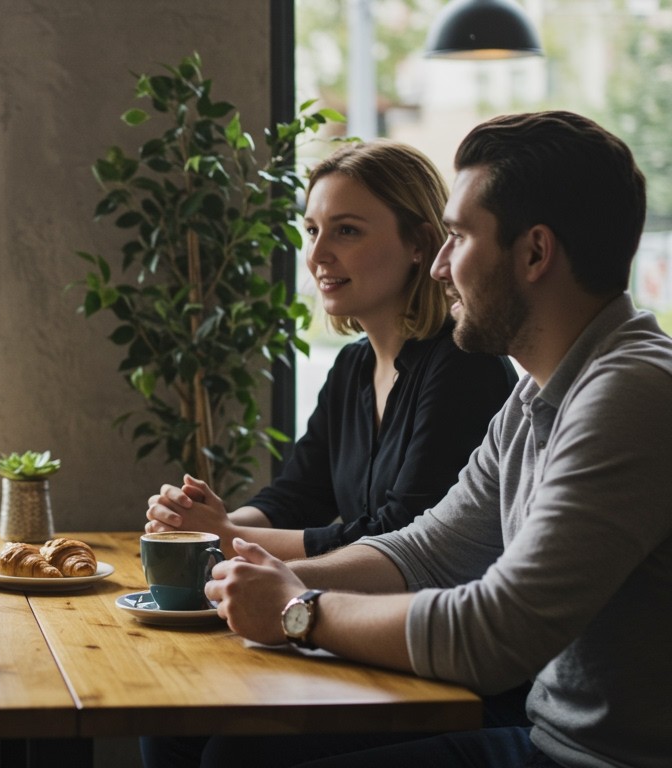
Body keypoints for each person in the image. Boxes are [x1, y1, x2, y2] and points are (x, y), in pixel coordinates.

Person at [192, 111, 671, 767]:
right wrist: (252, 583)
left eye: (458, 237)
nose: (441, 267)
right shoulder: (542, 389)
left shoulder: (632, 392)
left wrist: (298, 608)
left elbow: (497, 630)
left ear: (534, 252)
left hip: (591, 759)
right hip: (545, 739)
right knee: (212, 741)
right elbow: (430, 551)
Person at [146, 140, 516, 561]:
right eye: (311, 231)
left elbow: (401, 536)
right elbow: (298, 496)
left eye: (346, 230)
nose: (317, 254)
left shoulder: (463, 364)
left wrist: (224, 535)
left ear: (419, 244)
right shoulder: (353, 366)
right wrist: (197, 521)